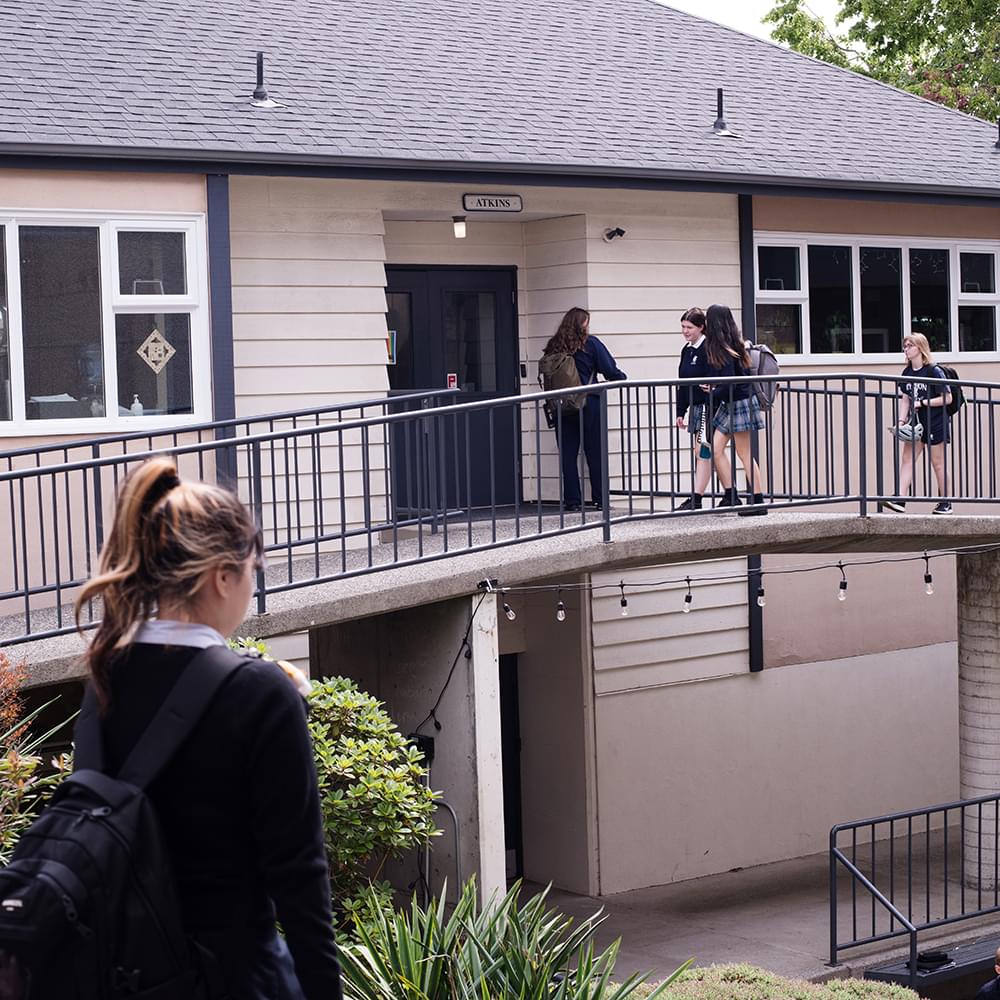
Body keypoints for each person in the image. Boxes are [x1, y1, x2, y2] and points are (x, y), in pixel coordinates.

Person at [73, 457, 342, 1000]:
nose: (251, 583)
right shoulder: (260, 692)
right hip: (235, 977)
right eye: (251, 569)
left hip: (123, 976)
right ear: (222, 575)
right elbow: (299, 879)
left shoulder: (105, 675)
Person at [541, 307, 626, 511]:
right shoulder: (590, 344)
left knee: (568, 455)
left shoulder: (554, 346)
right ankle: (600, 499)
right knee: (594, 452)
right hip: (589, 404)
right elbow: (609, 369)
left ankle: (573, 501)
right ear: (583, 324)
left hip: (562, 405)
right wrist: (621, 378)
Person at [699, 304, 768, 515]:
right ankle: (732, 495)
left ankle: (758, 502)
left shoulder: (725, 348)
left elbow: (730, 383)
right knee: (716, 449)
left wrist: (712, 392)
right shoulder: (734, 343)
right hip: (732, 403)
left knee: (744, 452)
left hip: (739, 403)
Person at [882, 331, 953, 514]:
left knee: (937, 462)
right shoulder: (907, 372)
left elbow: (947, 398)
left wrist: (923, 402)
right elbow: (906, 399)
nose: (906, 349)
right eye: (905, 346)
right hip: (917, 423)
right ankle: (900, 498)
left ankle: (946, 502)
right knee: (907, 459)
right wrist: (900, 420)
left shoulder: (933, 371)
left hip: (936, 421)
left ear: (920, 348)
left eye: (910, 346)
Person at [674, 307, 713, 511]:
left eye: (689, 327)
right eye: (683, 327)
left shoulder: (708, 348)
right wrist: (680, 412)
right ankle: (698, 497)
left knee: (702, 450)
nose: (685, 331)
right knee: (701, 451)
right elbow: (683, 384)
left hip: (710, 405)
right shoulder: (687, 350)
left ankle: (697, 498)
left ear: (701, 327)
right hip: (696, 407)